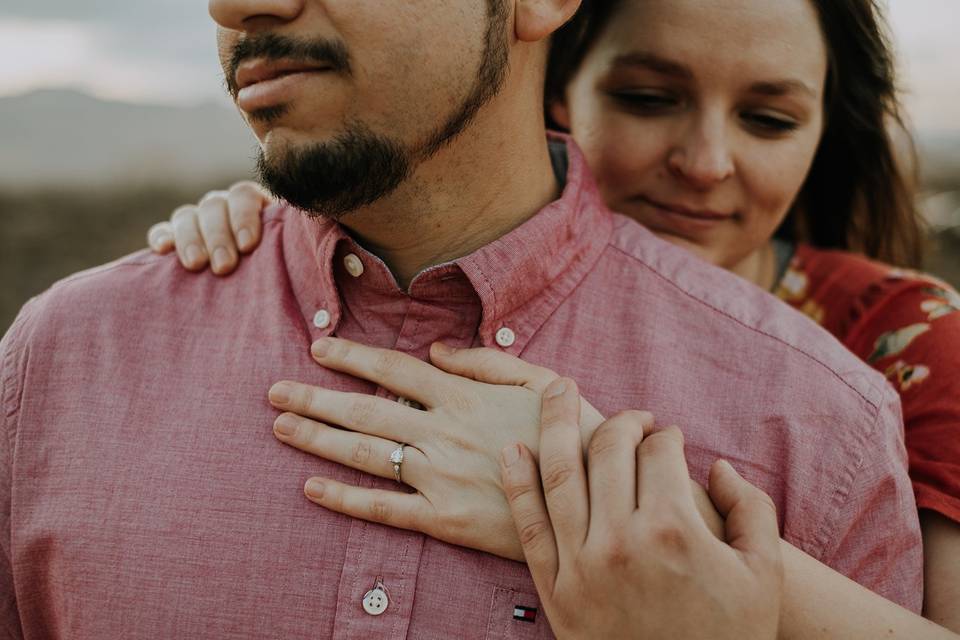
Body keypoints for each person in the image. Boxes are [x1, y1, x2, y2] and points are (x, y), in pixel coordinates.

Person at [1, 0, 924, 638]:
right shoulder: (58, 361)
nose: (237, 5)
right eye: (648, 97)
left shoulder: (822, 421)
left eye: (767, 116)